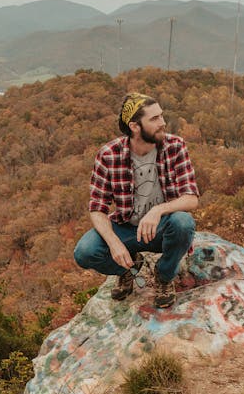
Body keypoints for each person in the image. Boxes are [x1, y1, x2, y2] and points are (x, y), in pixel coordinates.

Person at [74, 92, 199, 308]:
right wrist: (114, 244)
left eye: (161, 116)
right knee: (85, 252)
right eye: (154, 119)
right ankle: (130, 268)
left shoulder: (175, 146)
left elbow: (191, 199)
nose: (162, 123)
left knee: (183, 223)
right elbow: (97, 208)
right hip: (127, 228)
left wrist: (158, 210)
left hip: (163, 228)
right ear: (134, 126)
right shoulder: (108, 155)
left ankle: (164, 275)